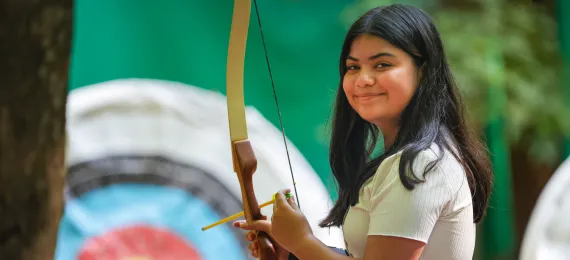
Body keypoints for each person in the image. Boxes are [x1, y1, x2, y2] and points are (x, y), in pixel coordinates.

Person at [234, 4, 493, 260]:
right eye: (353, 67)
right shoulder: (410, 158)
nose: (363, 80)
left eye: (381, 65)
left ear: (423, 71)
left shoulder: (420, 163)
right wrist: (292, 252)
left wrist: (302, 242)